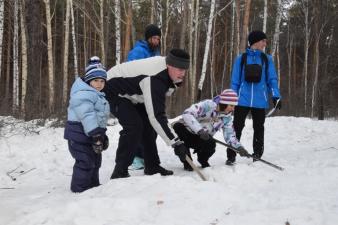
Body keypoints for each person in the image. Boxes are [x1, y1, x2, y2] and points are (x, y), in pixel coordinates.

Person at [103, 49, 190, 179]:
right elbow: (157, 115)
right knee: (134, 126)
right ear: (169, 65)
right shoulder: (155, 78)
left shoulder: (168, 74)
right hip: (112, 90)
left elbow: (154, 115)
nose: (182, 73)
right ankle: (119, 171)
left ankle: (152, 166)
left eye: (184, 70)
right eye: (179, 69)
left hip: (134, 95)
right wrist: (175, 143)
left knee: (149, 126)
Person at [227, 30, 282, 166]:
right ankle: (231, 155)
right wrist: (231, 99)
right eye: (263, 40)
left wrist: (276, 95)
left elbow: (272, 79)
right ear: (256, 42)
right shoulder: (241, 58)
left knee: (259, 128)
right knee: (236, 127)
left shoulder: (266, 59)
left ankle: (257, 154)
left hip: (260, 100)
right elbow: (235, 81)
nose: (265, 43)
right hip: (242, 99)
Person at [172, 89, 250, 171]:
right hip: (186, 132)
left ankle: (203, 160)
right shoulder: (208, 105)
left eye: (234, 106)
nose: (233, 109)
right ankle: (187, 162)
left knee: (211, 144)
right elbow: (187, 113)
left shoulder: (226, 118)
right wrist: (199, 130)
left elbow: (230, 135)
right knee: (178, 127)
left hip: (202, 137)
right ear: (224, 103)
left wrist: (239, 147)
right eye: (231, 105)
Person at [64, 56, 110, 192]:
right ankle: (80, 189)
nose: (99, 84)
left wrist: (102, 136)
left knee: (95, 161)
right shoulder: (82, 94)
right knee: (85, 162)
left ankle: (93, 186)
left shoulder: (98, 95)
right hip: (78, 136)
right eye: (96, 80)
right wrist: (96, 133)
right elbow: (87, 115)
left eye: (102, 81)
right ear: (89, 80)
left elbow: (99, 119)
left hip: (91, 135)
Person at [127, 24, 162, 170]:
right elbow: (130, 72)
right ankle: (135, 157)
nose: (156, 41)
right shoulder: (138, 52)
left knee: (152, 127)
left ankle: (144, 155)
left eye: (158, 38)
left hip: (150, 95)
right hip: (137, 95)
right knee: (140, 127)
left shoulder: (156, 53)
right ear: (148, 38)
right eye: (154, 38)